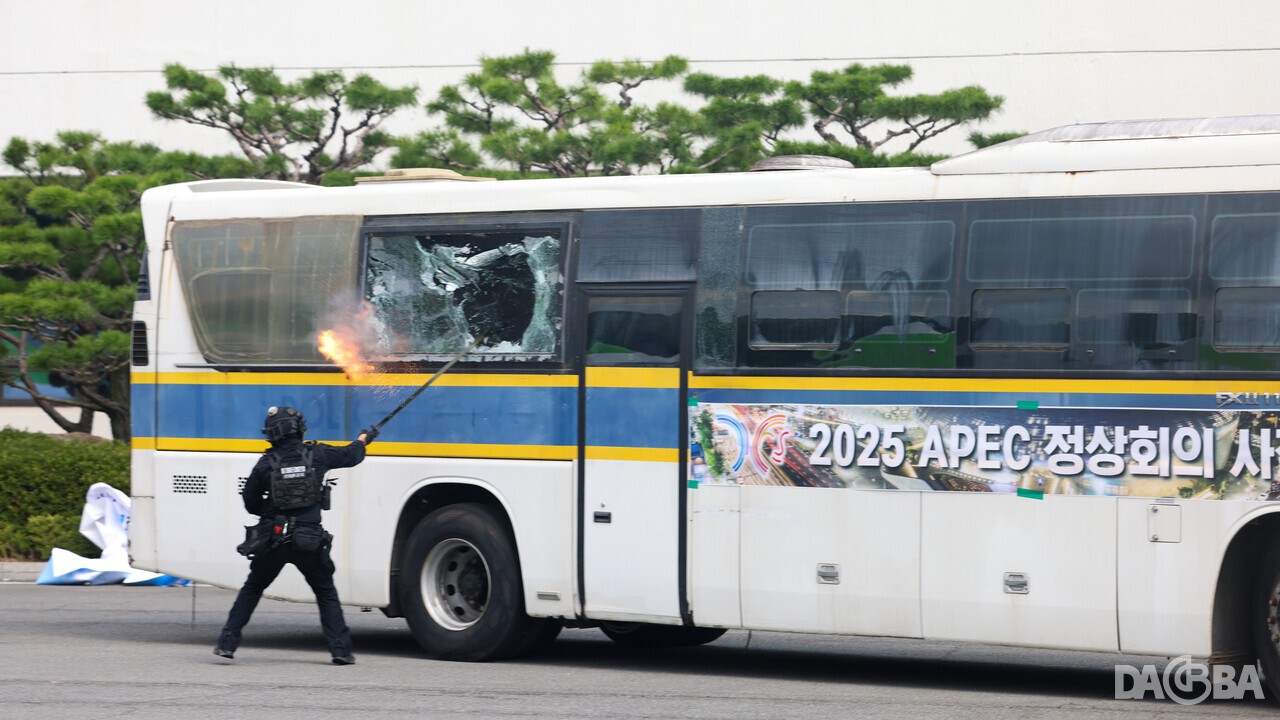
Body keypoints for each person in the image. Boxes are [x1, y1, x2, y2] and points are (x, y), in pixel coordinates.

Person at [213, 406, 375, 665]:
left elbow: (250, 501)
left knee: (253, 588)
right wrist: (363, 439)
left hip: (273, 540)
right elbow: (351, 455)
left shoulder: (265, 463)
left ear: (271, 434)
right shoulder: (317, 454)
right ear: (299, 429)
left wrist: (269, 512)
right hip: (308, 541)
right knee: (325, 592)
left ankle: (227, 644)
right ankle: (340, 651)